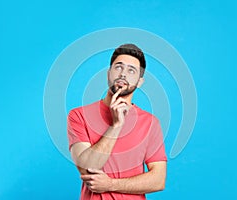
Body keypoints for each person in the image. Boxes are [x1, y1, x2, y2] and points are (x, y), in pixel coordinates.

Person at [67, 44, 167, 200]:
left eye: (131, 70)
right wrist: (116, 126)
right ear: (108, 73)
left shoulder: (150, 123)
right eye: (118, 68)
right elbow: (87, 169)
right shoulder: (79, 115)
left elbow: (158, 180)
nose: (123, 75)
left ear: (140, 81)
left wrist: (111, 184)